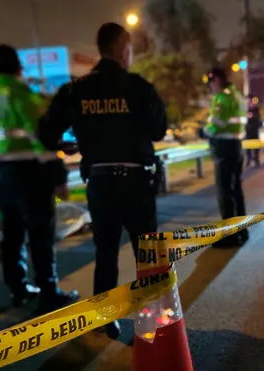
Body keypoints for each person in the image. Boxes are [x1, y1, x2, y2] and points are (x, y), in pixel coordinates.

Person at [37, 23, 167, 339]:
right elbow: (159, 130)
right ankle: (151, 327)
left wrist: (68, 144)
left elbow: (45, 133)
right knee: (147, 255)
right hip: (137, 182)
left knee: (105, 253)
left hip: (101, 183)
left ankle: (104, 320)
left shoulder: (75, 90)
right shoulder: (138, 87)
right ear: (124, 48)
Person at [0, 44, 79, 315]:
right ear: (18, 66)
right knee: (41, 234)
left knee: (13, 234)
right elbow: (44, 140)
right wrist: (59, 176)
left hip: (1, 176)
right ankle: (49, 292)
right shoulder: (23, 96)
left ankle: (18, 289)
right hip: (31, 175)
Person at [201, 67, 249, 247]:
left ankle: (230, 236)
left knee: (225, 192)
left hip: (224, 148)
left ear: (217, 80)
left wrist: (203, 132)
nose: (210, 88)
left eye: (210, 83)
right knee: (236, 190)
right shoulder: (237, 95)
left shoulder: (222, 98)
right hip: (237, 146)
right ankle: (242, 231)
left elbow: (216, 125)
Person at [245, 94, 263, 167]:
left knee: (256, 146)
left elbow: (259, 118)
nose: (249, 102)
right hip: (248, 130)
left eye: (250, 100)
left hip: (255, 129)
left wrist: (253, 116)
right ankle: (249, 159)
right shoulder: (246, 109)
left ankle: (256, 159)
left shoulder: (256, 109)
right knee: (248, 146)